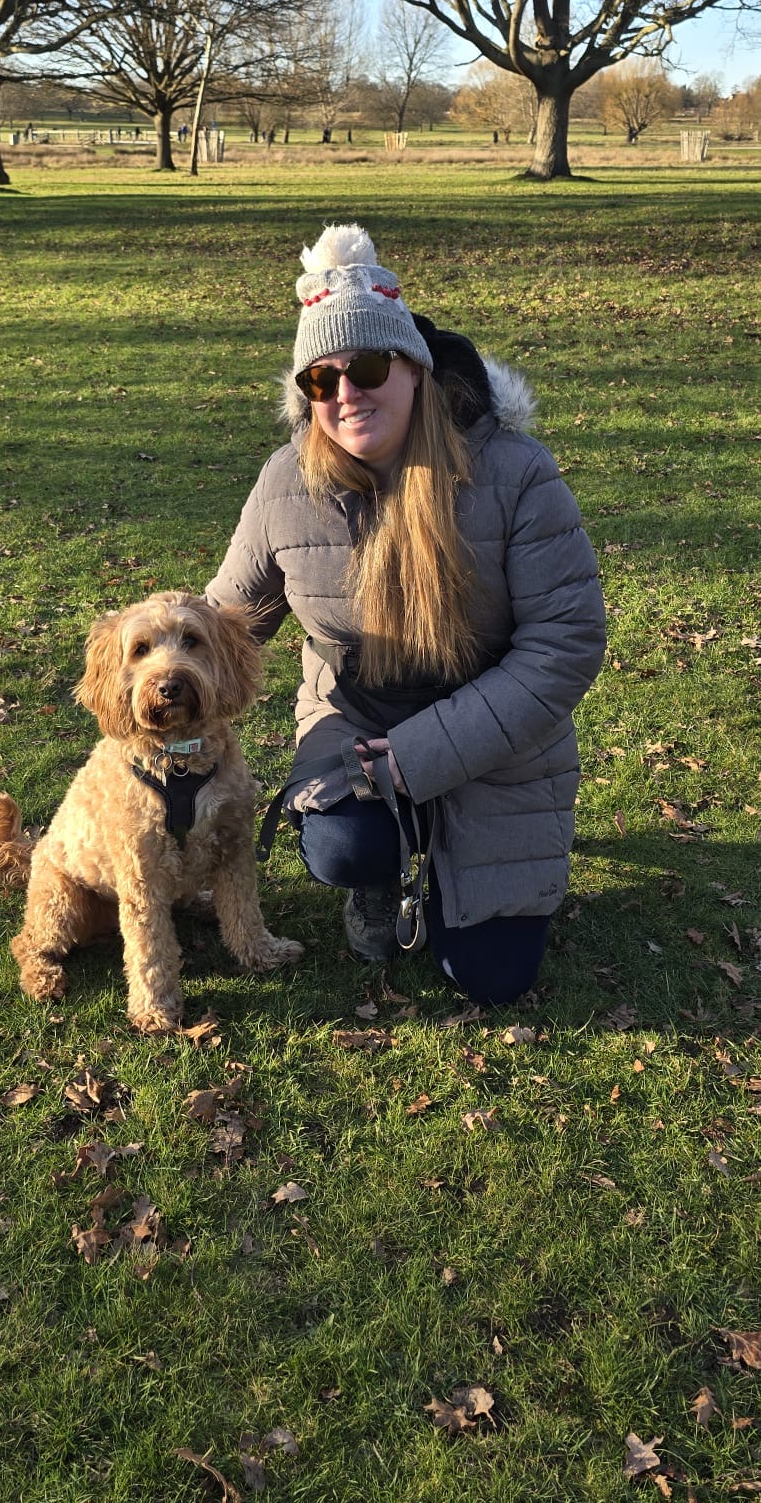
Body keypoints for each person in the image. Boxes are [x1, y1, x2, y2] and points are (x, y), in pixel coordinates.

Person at [204, 224, 606, 1005]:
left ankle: (461, 860)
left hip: (498, 739)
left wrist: (423, 754)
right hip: (355, 724)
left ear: (414, 369)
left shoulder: (514, 470)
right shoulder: (286, 481)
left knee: (489, 978)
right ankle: (377, 879)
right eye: (320, 380)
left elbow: (565, 644)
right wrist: (153, 674)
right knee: (345, 847)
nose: (346, 393)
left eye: (366, 366)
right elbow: (227, 622)